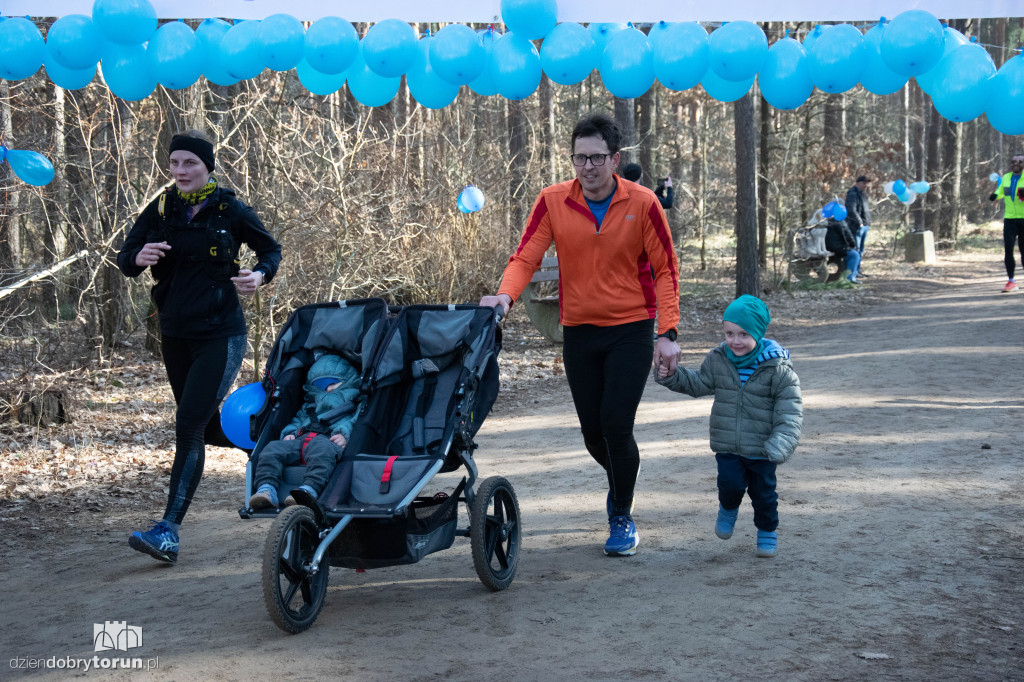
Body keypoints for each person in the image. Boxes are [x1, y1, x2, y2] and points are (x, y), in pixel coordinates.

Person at [480, 113, 680, 557]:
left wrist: (667, 331)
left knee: (616, 424)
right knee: (594, 434)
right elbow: (526, 257)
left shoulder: (644, 202)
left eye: (596, 158)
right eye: (579, 158)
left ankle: (621, 515)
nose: (587, 167)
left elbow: (666, 269)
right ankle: (624, 472)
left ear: (615, 159)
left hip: (631, 328)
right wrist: (504, 298)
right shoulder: (553, 201)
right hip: (580, 331)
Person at [117, 129, 282, 564]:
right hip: (175, 334)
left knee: (188, 425)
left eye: (189, 163)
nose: (180, 171)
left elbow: (270, 250)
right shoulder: (161, 208)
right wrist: (138, 257)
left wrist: (259, 275)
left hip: (221, 334)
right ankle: (272, 448)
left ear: (207, 166)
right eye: (174, 163)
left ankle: (168, 531)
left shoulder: (230, 209)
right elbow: (126, 258)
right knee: (205, 427)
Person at [655, 295, 802, 558]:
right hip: (728, 445)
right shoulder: (719, 359)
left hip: (762, 448)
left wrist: (782, 441)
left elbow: (790, 411)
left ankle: (767, 531)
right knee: (729, 484)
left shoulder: (777, 368)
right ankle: (728, 508)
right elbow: (698, 383)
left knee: (764, 495)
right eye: (729, 333)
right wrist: (673, 375)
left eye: (744, 334)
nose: (735, 341)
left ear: (758, 333)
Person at [249, 354, 360, 509]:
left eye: (333, 383)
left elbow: (355, 421)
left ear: (346, 381)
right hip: (301, 438)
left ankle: (309, 489)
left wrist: (344, 434)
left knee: (322, 451)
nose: (328, 388)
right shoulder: (309, 405)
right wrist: (290, 432)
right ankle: (266, 488)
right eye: (321, 385)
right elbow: (298, 420)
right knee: (272, 448)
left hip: (329, 439)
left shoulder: (354, 403)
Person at [989, 153, 1024, 293]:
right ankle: (1011, 281)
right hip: (1010, 219)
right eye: (1014, 161)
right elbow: (1002, 191)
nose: (1016, 163)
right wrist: (995, 195)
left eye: (1020, 161)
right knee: (1008, 249)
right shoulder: (1006, 178)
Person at [844, 175, 871, 277]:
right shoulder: (852, 194)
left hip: (865, 224)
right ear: (857, 183)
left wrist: (868, 222)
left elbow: (865, 210)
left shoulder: (863, 194)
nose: (865, 185)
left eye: (866, 183)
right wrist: (859, 222)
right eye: (863, 183)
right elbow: (851, 210)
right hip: (856, 226)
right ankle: (853, 272)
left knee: (861, 250)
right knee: (856, 249)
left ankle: (858, 270)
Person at [825, 215, 862, 284]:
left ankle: (844, 275)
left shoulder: (822, 222)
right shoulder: (840, 222)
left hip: (826, 248)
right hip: (838, 248)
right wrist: (853, 245)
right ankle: (849, 278)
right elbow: (848, 235)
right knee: (855, 255)